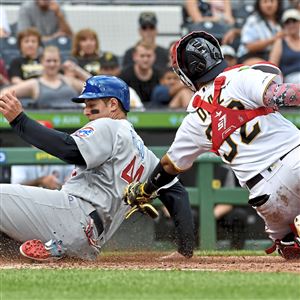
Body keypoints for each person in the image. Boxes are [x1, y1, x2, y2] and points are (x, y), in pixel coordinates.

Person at [123, 31, 300, 260]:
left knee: (288, 247)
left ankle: (288, 236)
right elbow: (281, 95)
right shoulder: (240, 76)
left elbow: (168, 166)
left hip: (267, 198)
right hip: (295, 159)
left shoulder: (193, 119)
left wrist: (145, 190)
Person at [0, 75, 194, 261]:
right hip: (89, 243)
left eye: (92, 105)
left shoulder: (110, 125)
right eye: (85, 105)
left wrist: (20, 121)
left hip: (73, 216)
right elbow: (177, 193)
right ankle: (53, 248)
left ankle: (55, 244)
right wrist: (185, 250)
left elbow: (68, 149)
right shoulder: (148, 156)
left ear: (112, 104)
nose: (86, 111)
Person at [2, 46, 83, 109]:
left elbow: (95, 87)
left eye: (55, 61)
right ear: (42, 62)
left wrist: (77, 69)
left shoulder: (69, 81)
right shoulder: (35, 83)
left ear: (60, 62)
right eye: (48, 61)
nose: (52, 64)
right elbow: (4, 93)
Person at [237, 0, 284, 65]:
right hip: (250, 56)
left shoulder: (282, 22)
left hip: (274, 56)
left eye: (272, 1)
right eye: (265, 1)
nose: (269, 5)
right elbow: (249, 47)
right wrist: (273, 39)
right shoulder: (253, 21)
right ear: (259, 4)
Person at [120, 41, 162, 105]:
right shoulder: (124, 75)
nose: (145, 59)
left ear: (154, 57)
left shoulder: (160, 74)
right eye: (142, 56)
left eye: (149, 56)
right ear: (134, 56)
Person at [269, 9, 300, 83]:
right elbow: (272, 66)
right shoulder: (280, 42)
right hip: (290, 79)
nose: (291, 24)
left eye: (294, 21)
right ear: (284, 25)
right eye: (288, 22)